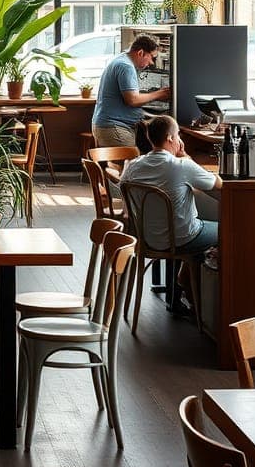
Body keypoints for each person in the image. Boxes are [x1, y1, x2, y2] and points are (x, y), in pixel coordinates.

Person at [121, 115, 221, 312]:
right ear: (170, 138)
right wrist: (186, 157)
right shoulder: (181, 166)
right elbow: (218, 184)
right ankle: (205, 304)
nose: (179, 139)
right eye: (177, 135)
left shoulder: (133, 166)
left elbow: (125, 204)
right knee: (228, 230)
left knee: (189, 229)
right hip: (182, 238)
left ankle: (185, 282)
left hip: (146, 239)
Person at [91, 34, 171, 148]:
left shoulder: (121, 60)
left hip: (109, 125)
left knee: (120, 165)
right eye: (152, 57)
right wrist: (160, 94)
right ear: (141, 53)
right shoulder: (126, 66)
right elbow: (132, 100)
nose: (152, 63)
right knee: (130, 165)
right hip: (115, 127)